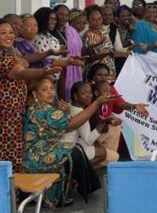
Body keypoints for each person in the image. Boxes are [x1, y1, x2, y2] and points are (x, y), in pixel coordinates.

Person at [0, 18, 62, 172]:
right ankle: (7, 191)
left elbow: (25, 62)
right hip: (2, 115)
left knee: (10, 151)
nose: (9, 36)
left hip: (10, 112)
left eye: (11, 32)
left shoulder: (5, 52)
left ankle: (13, 190)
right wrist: (43, 72)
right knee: (4, 154)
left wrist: (52, 59)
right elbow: (20, 72)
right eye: (3, 33)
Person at [22, 77, 109, 208]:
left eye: (51, 88)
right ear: (34, 93)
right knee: (74, 152)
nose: (50, 92)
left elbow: (63, 125)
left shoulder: (41, 107)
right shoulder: (42, 110)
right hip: (36, 158)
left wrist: (66, 112)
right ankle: (58, 196)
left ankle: (69, 191)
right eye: (44, 89)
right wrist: (96, 104)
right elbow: (72, 124)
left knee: (75, 150)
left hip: (38, 154)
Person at [61, 81, 121, 167]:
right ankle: (78, 171)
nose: (88, 95)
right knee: (113, 156)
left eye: (89, 92)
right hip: (70, 150)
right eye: (83, 93)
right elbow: (89, 140)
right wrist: (102, 122)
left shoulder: (71, 106)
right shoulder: (80, 112)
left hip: (71, 146)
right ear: (75, 96)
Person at [84, 8, 127, 77]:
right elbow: (89, 58)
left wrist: (125, 53)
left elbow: (111, 52)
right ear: (89, 21)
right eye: (94, 20)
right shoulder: (88, 35)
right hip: (96, 73)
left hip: (110, 71)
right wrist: (105, 54)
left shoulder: (105, 33)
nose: (97, 22)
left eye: (99, 19)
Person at [55, 5, 83, 101]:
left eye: (66, 15)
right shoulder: (51, 32)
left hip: (71, 67)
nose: (63, 17)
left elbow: (79, 49)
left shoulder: (72, 31)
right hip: (56, 68)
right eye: (60, 14)